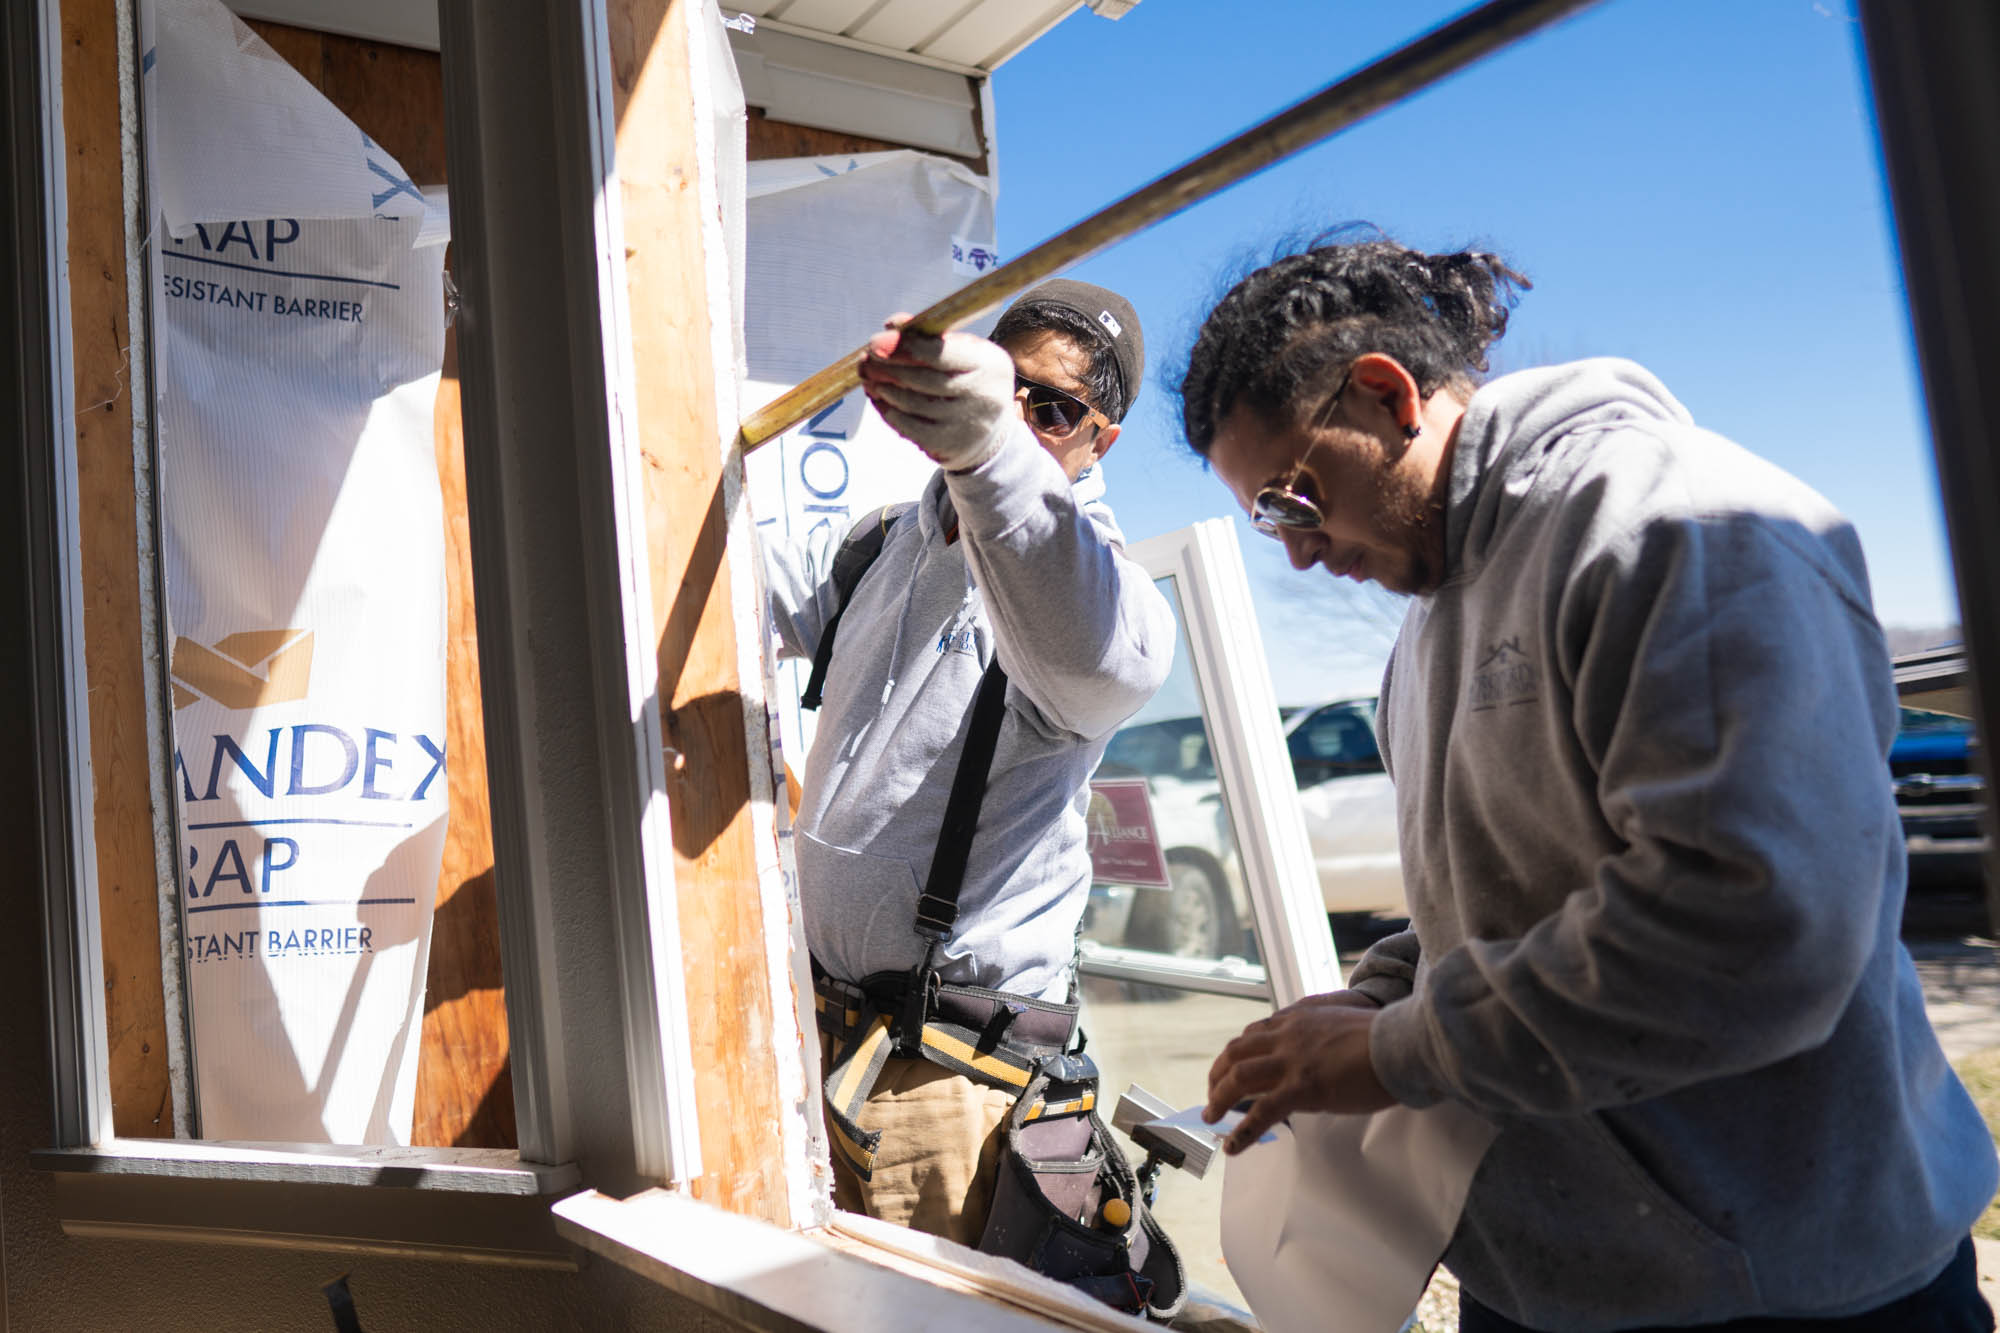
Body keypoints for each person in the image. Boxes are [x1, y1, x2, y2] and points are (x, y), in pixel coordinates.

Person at [1187, 232, 1997, 1332]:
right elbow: (1492, 902)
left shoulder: (1679, 527)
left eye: (1292, 499)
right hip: (1553, 1280)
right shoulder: (1423, 630)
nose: (1295, 551)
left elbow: (1749, 929)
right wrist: (1376, 992)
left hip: (1789, 1289)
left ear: (1384, 396)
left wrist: (1395, 1050)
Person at [764, 280, 1175, 1244]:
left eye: (1055, 408)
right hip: (825, 1041)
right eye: (1008, 390)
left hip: (948, 1087)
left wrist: (990, 449)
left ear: (1098, 441)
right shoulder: (881, 546)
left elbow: (1101, 642)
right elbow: (737, 579)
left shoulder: (1091, 588)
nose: (1027, 418)